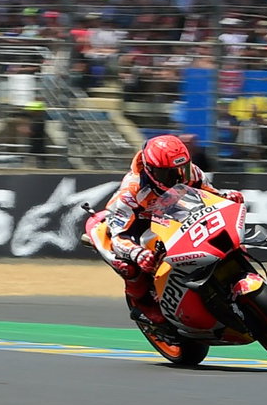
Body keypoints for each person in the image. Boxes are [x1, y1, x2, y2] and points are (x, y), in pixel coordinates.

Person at [92, 135, 243, 327]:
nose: (179, 177)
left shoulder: (191, 173)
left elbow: (209, 193)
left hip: (173, 215)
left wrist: (226, 197)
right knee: (129, 266)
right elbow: (119, 236)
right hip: (138, 227)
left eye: (183, 169)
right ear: (151, 170)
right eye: (169, 174)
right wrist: (137, 254)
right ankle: (143, 304)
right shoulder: (131, 192)